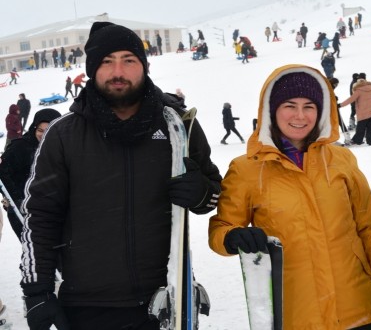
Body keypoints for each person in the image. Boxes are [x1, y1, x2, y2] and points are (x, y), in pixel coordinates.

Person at [19, 21, 222, 330]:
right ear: (92, 69)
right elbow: (40, 215)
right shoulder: (63, 135)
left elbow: (212, 194)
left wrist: (200, 192)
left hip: (166, 300)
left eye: (129, 60)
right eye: (107, 62)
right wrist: (37, 291)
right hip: (87, 307)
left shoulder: (176, 125)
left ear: (144, 65)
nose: (118, 71)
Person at [208, 65, 371, 328]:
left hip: (360, 311)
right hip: (296, 316)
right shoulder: (247, 169)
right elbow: (220, 229)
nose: (300, 115)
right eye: (290, 105)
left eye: (309, 106)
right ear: (271, 110)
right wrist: (231, 238)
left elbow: (368, 228)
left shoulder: (342, 160)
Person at [1, 108, 61, 240]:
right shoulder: (21, 147)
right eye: (40, 130)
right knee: (35, 251)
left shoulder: (61, 147)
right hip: (23, 210)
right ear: (34, 128)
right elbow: (3, 171)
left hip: (51, 208)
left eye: (49, 130)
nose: (43, 134)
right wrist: (17, 199)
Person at [340, 74, 371, 146]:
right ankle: (370, 141)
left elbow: (350, 100)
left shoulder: (358, 91)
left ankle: (357, 140)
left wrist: (340, 105)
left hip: (364, 112)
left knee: (360, 127)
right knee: (370, 126)